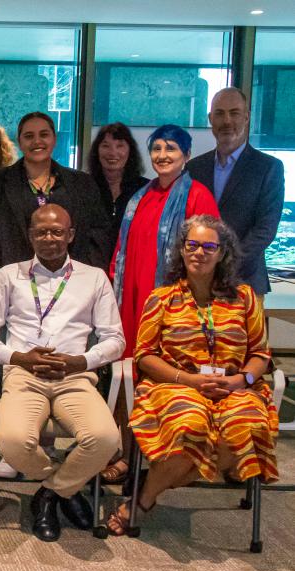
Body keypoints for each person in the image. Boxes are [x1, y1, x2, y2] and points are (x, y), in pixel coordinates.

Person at [107, 215, 278, 535]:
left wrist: (240, 381)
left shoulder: (245, 297)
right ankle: (149, 491)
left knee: (246, 428)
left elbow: (260, 355)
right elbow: (144, 356)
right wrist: (189, 381)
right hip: (176, 385)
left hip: (235, 387)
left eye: (209, 246)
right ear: (182, 251)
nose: (199, 252)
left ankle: (145, 494)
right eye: (193, 245)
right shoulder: (163, 297)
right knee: (191, 426)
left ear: (222, 253)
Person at [0, 204, 124, 542]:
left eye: (57, 231)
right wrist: (18, 357)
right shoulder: (9, 275)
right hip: (24, 377)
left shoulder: (93, 277)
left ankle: (49, 495)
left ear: (70, 235)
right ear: (30, 235)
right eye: (41, 231)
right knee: (11, 443)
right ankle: (66, 488)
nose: (49, 238)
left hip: (75, 377)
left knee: (105, 439)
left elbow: (115, 340)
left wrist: (79, 362)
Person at [105, 124, 219, 484]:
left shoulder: (197, 197)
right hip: (132, 303)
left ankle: (160, 460)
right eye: (156, 148)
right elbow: (122, 251)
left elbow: (208, 257)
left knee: (161, 379)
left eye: (171, 148)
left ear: (185, 155)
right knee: (126, 377)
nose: (163, 155)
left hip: (173, 308)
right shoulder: (142, 195)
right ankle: (124, 451)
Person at [0, 112, 111, 300]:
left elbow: (98, 241)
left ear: (54, 139)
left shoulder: (82, 184)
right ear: (19, 142)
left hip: (71, 293)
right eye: (29, 136)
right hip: (14, 291)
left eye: (44, 135)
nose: (37, 141)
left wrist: (87, 289)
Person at [187, 87, 285, 295]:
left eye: (234, 113)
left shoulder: (268, 168)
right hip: (199, 283)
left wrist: (223, 263)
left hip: (245, 282)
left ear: (247, 117)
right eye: (220, 113)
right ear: (210, 118)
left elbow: (265, 229)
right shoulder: (194, 168)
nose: (227, 121)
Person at [87, 122, 148, 254]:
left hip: (131, 265)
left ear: (130, 150)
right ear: (96, 151)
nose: (112, 152)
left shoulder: (145, 190)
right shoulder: (84, 186)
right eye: (105, 146)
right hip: (92, 268)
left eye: (120, 146)